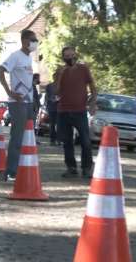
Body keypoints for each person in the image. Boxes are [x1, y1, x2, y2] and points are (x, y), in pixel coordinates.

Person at [0, 29, 38, 182]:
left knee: (28, 137)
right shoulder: (15, 56)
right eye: (33, 40)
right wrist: (9, 91)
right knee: (17, 138)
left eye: (35, 40)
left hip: (28, 103)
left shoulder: (28, 59)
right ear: (25, 41)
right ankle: (11, 171)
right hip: (17, 103)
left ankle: (23, 168)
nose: (35, 43)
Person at [56, 46, 97, 179]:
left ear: (76, 55)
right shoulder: (60, 71)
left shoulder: (83, 69)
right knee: (67, 141)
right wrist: (60, 75)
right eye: (67, 56)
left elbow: (93, 87)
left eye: (72, 55)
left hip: (80, 110)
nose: (70, 58)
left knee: (85, 140)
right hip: (64, 110)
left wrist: (92, 103)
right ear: (63, 58)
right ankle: (71, 168)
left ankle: (86, 168)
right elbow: (55, 91)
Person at [45, 70, 60, 145]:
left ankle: (59, 139)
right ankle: (52, 140)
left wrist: (59, 98)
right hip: (52, 108)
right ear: (53, 77)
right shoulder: (49, 86)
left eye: (57, 76)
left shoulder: (62, 85)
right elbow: (47, 97)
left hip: (60, 108)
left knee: (59, 124)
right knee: (52, 124)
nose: (56, 78)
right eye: (55, 76)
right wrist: (52, 99)